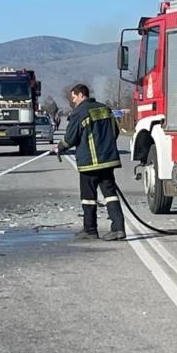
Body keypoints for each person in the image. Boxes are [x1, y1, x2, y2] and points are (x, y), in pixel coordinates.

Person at [54, 84, 125, 241]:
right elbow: (115, 131)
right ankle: (119, 228)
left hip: (89, 162)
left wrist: (59, 148)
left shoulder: (80, 112)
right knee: (110, 194)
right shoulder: (105, 109)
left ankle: (90, 229)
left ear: (80, 95)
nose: (73, 101)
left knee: (88, 197)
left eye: (73, 97)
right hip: (108, 161)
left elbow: (71, 138)